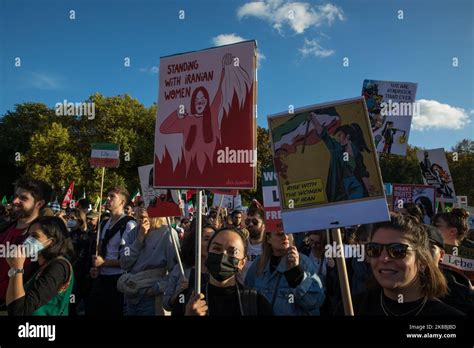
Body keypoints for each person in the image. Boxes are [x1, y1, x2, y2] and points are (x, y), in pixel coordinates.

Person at [339, 213, 464, 316]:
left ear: (422, 260)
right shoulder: (350, 308)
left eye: (397, 250)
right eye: (374, 249)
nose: (384, 258)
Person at [178, 227, 273, 316]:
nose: (223, 254)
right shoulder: (187, 299)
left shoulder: (257, 302)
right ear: (207, 254)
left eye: (232, 252)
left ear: (242, 262)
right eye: (217, 248)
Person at [245, 230, 325, 315]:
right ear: (268, 239)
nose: (285, 237)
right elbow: (247, 298)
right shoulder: (258, 264)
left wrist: (297, 273)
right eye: (280, 234)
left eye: (288, 233)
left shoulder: (303, 262)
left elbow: (315, 301)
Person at [6, 216, 74, 315]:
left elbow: (19, 311)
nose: (28, 240)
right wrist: (13, 268)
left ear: (52, 241)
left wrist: (17, 268)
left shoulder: (58, 267)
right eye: (28, 235)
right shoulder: (39, 264)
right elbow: (11, 304)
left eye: (35, 236)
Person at [0, 179, 52, 308]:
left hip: (18, 308)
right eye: (16, 196)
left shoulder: (46, 240)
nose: (15, 201)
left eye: (23, 198)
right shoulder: (3, 229)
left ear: (39, 204)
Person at [87, 187, 137, 317]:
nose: (108, 199)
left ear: (122, 202)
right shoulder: (104, 223)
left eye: (112, 196)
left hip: (118, 279)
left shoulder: (129, 225)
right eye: (107, 196)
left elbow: (129, 259)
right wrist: (96, 267)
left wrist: (104, 263)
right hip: (101, 278)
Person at [119, 209, 178, 315]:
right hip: (131, 293)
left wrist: (157, 288)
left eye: (147, 204)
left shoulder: (168, 233)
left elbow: (176, 269)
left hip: (151, 298)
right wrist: (139, 240)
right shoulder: (133, 233)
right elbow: (124, 261)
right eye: (141, 204)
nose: (142, 208)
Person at [310, 112, 373, 202]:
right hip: (341, 192)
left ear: (347, 136)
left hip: (357, 190)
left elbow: (362, 172)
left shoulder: (357, 153)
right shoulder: (336, 149)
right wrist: (313, 118)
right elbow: (324, 135)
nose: (338, 138)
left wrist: (368, 187)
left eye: (340, 135)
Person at [164, 221, 215, 312]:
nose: (211, 243)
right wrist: (180, 294)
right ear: (196, 242)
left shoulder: (218, 271)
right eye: (206, 239)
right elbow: (166, 304)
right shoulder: (181, 269)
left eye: (214, 240)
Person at [425, 225, 474, 315]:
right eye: (417, 247)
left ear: (442, 255)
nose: (423, 253)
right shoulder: (394, 283)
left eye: (429, 247)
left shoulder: (459, 287)